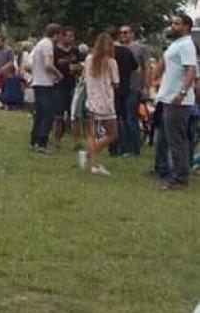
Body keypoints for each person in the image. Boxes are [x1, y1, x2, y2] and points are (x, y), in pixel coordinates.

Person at [154, 14, 198, 190]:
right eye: (172, 23)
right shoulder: (176, 44)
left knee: (177, 140)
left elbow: (191, 70)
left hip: (178, 100)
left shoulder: (187, 44)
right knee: (172, 139)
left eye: (177, 24)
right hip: (168, 97)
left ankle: (180, 178)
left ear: (186, 26)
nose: (173, 26)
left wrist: (182, 92)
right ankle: (178, 174)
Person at [80, 32, 119, 175]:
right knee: (113, 134)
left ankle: (93, 163)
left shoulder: (89, 59)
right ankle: (91, 153)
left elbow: (85, 79)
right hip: (106, 103)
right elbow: (115, 83)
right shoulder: (111, 63)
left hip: (91, 100)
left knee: (92, 134)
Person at [30, 23, 64, 154]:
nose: (60, 38)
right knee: (49, 113)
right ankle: (42, 142)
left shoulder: (39, 44)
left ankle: (34, 140)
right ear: (55, 34)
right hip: (45, 84)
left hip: (37, 82)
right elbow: (48, 65)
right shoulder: (48, 45)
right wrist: (58, 74)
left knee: (40, 113)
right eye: (59, 35)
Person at [117, 24, 149, 156]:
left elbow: (146, 67)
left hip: (134, 87)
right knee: (122, 118)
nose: (123, 35)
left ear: (132, 34)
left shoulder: (141, 48)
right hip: (120, 87)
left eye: (126, 33)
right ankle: (123, 146)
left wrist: (145, 86)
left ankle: (134, 148)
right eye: (121, 33)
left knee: (131, 117)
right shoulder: (118, 48)